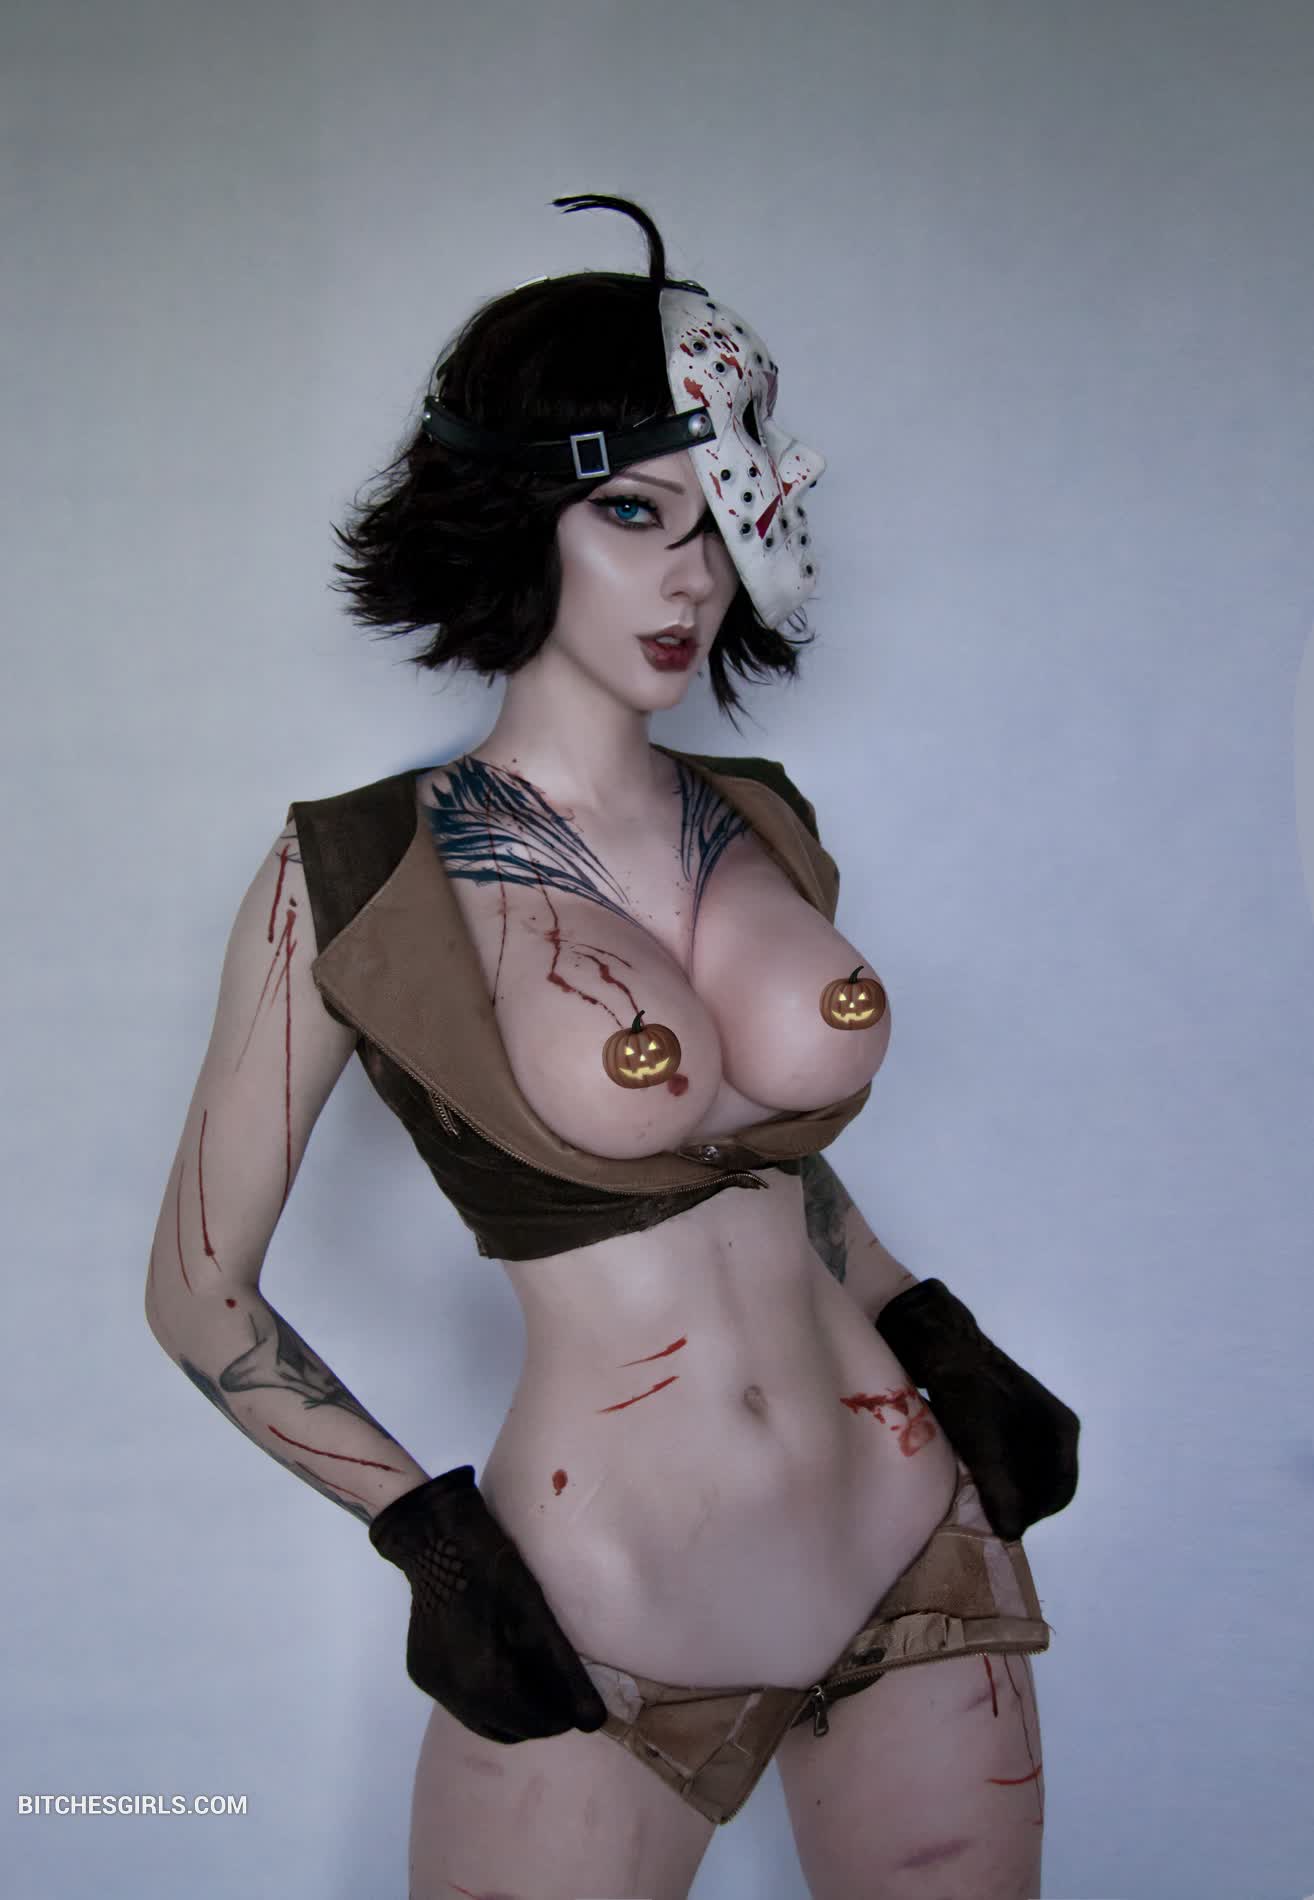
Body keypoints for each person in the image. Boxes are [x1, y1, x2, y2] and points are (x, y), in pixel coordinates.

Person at [145, 194, 1079, 1900]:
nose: (687, 578)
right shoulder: (352, 873)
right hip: (604, 1613)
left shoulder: (764, 816)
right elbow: (198, 1295)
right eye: (630, 511)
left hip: (909, 1542)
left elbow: (765, 1173)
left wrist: (940, 1337)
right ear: (517, 515)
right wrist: (425, 1538)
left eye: (717, 521)